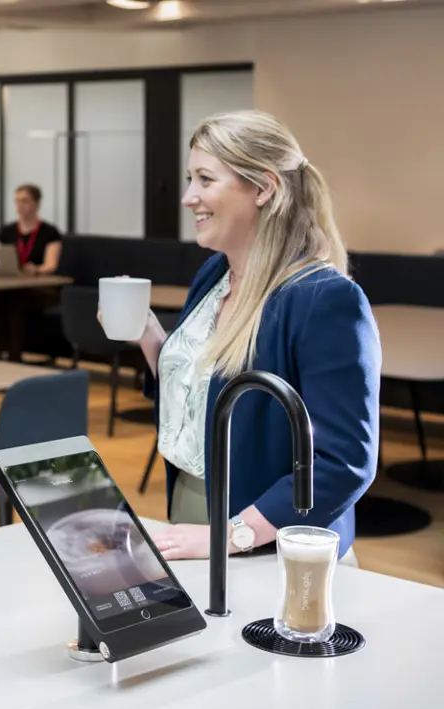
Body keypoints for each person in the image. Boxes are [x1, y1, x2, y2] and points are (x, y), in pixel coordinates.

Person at [137, 110, 380, 566]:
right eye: (190, 179)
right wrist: (152, 338)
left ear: (264, 188)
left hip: (277, 540)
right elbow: (201, 396)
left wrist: (234, 535)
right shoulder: (215, 274)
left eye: (205, 180)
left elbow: (343, 461)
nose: (189, 197)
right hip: (195, 509)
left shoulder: (323, 300)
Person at [0, 184, 62, 275]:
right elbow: (0, 260)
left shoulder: (50, 232)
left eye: (25, 201)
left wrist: (36, 270)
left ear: (37, 204)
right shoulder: (7, 231)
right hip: (12, 279)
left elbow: (51, 266)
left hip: (39, 281)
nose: (19, 205)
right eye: (17, 201)